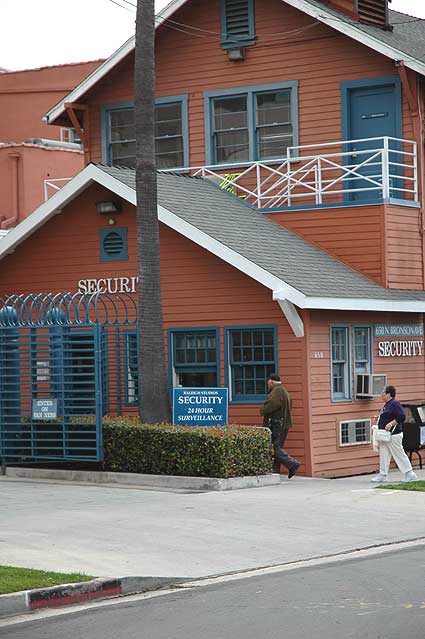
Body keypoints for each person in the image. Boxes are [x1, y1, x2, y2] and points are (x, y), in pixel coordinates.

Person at [371, 385, 417, 483]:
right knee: (384, 454)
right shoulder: (387, 404)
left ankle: (409, 473)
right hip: (384, 435)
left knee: (399, 454)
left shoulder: (395, 404)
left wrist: (391, 423)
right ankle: (382, 475)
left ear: (389, 394)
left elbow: (401, 416)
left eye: (383, 393)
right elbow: (388, 415)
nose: (381, 395)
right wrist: (379, 418)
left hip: (393, 435)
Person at [261, 373, 300, 479]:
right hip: (284, 423)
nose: (267, 385)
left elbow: (272, 405)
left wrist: (263, 409)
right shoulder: (284, 391)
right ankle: (275, 471)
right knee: (277, 447)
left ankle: (293, 464)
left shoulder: (277, 391)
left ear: (270, 382)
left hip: (277, 424)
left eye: (268, 383)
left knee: (274, 448)